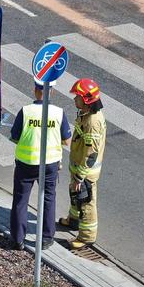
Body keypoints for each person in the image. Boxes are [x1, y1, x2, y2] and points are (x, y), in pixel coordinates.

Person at [9, 81, 72, 250]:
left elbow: (15, 137)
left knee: (21, 200)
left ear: (35, 91)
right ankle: (46, 238)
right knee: (48, 198)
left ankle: (17, 239)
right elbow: (67, 140)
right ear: (52, 92)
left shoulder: (26, 111)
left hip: (26, 163)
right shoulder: (59, 113)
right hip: (50, 164)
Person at [58, 78, 107, 250]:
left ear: (86, 100)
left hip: (86, 172)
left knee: (86, 202)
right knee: (75, 196)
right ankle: (73, 220)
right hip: (78, 166)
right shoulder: (85, 113)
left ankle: (86, 237)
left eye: (77, 96)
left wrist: (80, 177)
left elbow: (91, 154)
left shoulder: (93, 122)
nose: (74, 99)